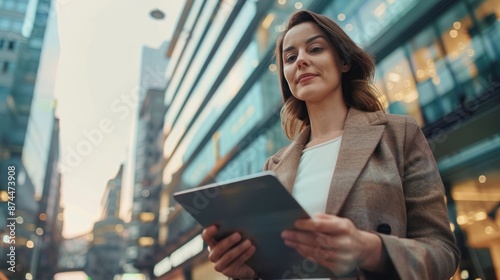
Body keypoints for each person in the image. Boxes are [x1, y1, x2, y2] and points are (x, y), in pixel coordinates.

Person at [202, 9, 460, 279]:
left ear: (343, 62)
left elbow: (443, 252)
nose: (300, 60)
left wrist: (371, 249)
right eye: (290, 57)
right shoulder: (274, 167)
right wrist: (248, 273)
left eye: (314, 49)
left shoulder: (398, 133)